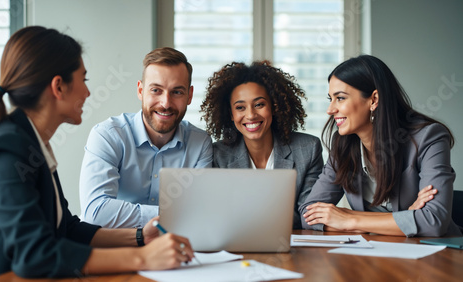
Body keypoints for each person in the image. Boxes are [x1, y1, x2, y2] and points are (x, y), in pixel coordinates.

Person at [0, 26, 195, 281]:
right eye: (83, 80)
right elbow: (35, 255)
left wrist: (140, 237)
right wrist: (143, 258)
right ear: (58, 87)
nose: (87, 93)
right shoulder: (7, 146)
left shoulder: (31, 141)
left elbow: (66, 229)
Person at [300, 55, 461, 237]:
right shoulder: (342, 146)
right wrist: (405, 218)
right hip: (378, 253)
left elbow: (433, 222)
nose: (330, 109)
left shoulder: (429, 138)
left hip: (437, 256)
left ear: (374, 99)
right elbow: (308, 214)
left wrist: (350, 220)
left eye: (340, 98)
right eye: (330, 98)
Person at [79, 47, 212, 228]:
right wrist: (168, 216)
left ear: (189, 95)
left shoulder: (200, 143)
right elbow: (95, 212)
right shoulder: (108, 136)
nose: (166, 103)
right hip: (116, 248)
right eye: (156, 90)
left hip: (175, 248)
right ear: (140, 90)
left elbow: (203, 213)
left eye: (177, 92)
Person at [201, 61, 324, 229]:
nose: (250, 115)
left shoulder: (308, 149)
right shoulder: (217, 156)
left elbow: (309, 215)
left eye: (259, 104)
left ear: (274, 106)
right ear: (231, 114)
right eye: (240, 107)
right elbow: (215, 216)